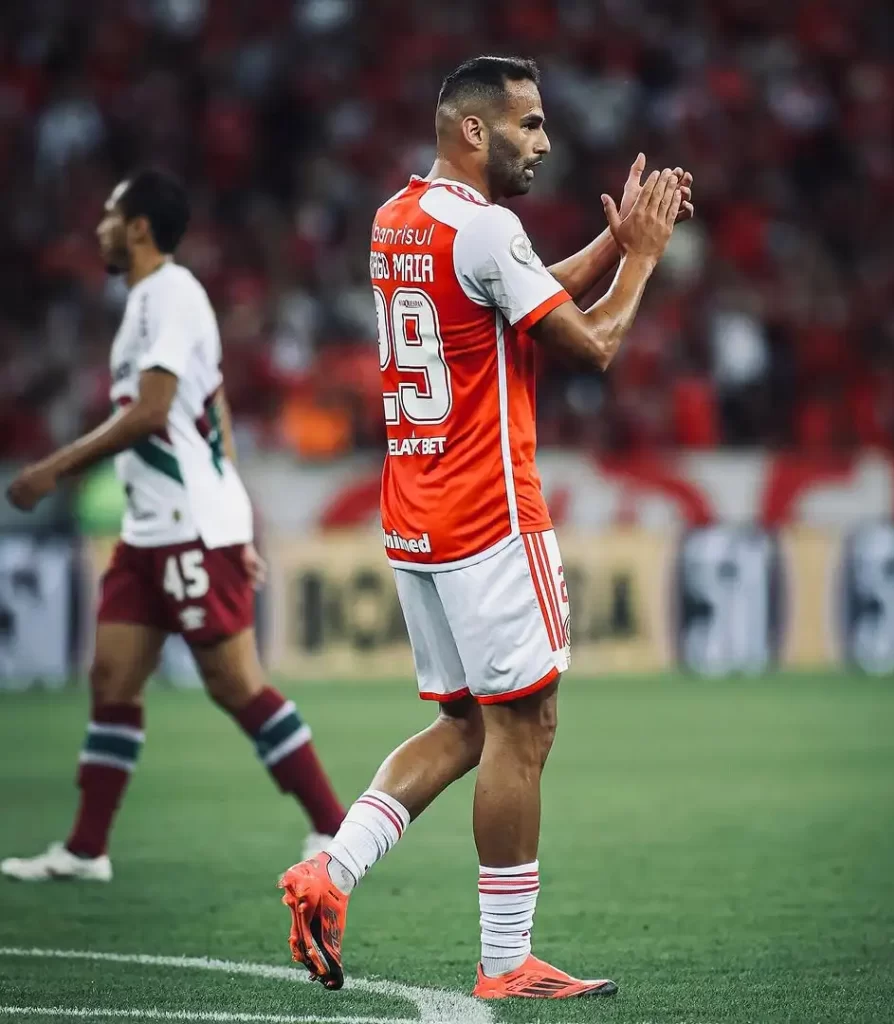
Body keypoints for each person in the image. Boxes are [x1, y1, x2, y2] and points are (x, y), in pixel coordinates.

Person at [278, 56, 693, 999]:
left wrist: (604, 239)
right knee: (527, 728)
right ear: (475, 130)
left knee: (465, 727)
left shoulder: (399, 219)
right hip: (491, 517)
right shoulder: (489, 228)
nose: (545, 142)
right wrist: (642, 256)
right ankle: (506, 963)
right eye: (530, 124)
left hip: (417, 519)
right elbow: (592, 347)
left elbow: (511, 293)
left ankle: (328, 871)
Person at [2, 169, 345, 883]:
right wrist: (241, 514)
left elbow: (157, 412)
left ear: (136, 227)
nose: (97, 226)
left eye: (108, 214)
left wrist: (54, 469)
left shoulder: (173, 294)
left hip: (189, 527)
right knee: (112, 678)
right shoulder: (141, 307)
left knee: (235, 684)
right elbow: (209, 408)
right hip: (150, 531)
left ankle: (335, 828)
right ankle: (86, 850)